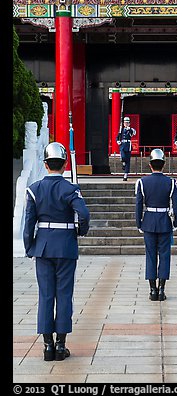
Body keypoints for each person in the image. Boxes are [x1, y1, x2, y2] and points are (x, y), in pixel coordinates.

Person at [23, 142, 90, 362]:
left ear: (45, 164)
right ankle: (61, 346)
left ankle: (47, 346)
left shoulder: (34, 188)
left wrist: (30, 247)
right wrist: (80, 231)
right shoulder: (71, 189)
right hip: (65, 247)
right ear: (65, 164)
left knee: (45, 295)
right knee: (63, 295)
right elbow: (84, 215)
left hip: (43, 247)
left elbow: (28, 223)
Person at [135, 149, 177, 301]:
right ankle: (161, 289)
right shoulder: (171, 182)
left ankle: (152, 290)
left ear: (150, 165)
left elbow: (139, 205)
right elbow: (176, 206)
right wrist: (175, 222)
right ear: (164, 164)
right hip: (164, 221)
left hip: (148, 221)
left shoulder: (142, 182)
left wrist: (139, 223)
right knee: (165, 255)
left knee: (150, 255)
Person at [116, 116, 136, 181]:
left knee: (128, 161)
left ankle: (125, 175)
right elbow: (118, 136)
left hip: (128, 145)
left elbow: (133, 133)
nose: (126, 124)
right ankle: (123, 162)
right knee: (123, 157)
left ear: (129, 123)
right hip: (122, 145)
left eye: (127, 123)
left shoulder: (131, 130)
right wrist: (118, 141)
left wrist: (129, 129)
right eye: (125, 123)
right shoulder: (121, 129)